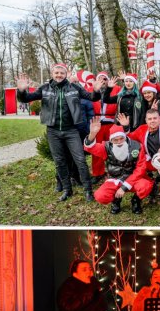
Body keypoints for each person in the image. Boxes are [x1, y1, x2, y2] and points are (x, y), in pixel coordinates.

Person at [16, 64, 102, 202]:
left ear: (66, 73)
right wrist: (21, 90)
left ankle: (88, 190)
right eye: (56, 73)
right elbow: (26, 98)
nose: (59, 75)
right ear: (52, 73)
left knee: (80, 160)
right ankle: (67, 189)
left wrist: (97, 91)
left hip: (71, 130)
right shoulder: (45, 89)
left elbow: (92, 97)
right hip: (53, 131)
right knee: (59, 162)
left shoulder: (74, 87)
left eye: (62, 73)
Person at [84, 119, 152, 214]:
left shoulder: (137, 146)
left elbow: (141, 168)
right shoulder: (106, 147)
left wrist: (124, 187)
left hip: (133, 179)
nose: (119, 142)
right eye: (115, 140)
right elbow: (90, 148)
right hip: (115, 179)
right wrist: (92, 134)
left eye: (121, 138)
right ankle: (116, 201)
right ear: (111, 140)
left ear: (125, 137)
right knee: (100, 196)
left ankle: (136, 200)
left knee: (145, 186)